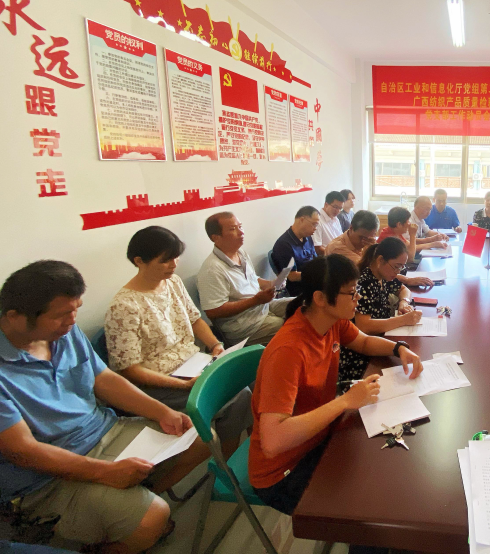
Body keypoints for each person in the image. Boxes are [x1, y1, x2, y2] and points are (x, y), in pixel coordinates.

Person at [0, 261, 206, 552]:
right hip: (46, 477)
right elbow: (22, 451)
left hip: (103, 430)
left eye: (76, 309)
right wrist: (104, 473)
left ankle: (129, 510)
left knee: (200, 438)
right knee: (151, 519)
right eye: (61, 315)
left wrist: (163, 412)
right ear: (15, 317)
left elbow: (104, 379)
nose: (72, 320)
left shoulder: (62, 332)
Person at [248, 255, 423, 537]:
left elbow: (363, 341)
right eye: (351, 292)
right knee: (372, 515)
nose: (358, 297)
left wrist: (399, 348)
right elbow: (273, 441)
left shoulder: (330, 321)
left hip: (320, 437)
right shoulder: (288, 350)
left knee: (387, 477)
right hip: (285, 471)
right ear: (320, 298)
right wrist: (345, 401)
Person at [105, 227, 252, 460]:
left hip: (193, 365)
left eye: (175, 257)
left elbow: (195, 319)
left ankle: (233, 456)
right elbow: (130, 369)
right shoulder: (124, 306)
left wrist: (215, 345)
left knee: (243, 383)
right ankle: (227, 461)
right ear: (139, 261)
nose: (174, 265)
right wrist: (183, 385)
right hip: (161, 383)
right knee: (238, 396)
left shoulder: (172, 282)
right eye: (165, 260)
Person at [197, 212, 293, 346]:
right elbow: (213, 311)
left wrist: (271, 283)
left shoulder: (241, 253)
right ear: (215, 237)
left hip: (263, 307)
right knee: (295, 328)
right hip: (246, 325)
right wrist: (256, 300)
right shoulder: (212, 269)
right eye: (233, 229)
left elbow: (252, 279)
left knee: (305, 305)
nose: (241, 232)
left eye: (240, 226)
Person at [340, 238, 424, 382]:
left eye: (401, 268)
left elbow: (404, 289)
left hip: (381, 340)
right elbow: (364, 326)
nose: (397, 272)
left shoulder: (383, 276)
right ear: (380, 260)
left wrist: (403, 302)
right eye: (396, 266)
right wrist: (403, 320)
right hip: (362, 354)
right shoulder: (365, 283)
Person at [270, 206, 319, 298]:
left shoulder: (307, 237)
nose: (315, 228)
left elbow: (315, 259)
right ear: (302, 220)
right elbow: (292, 276)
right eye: (314, 224)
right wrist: (317, 275)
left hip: (313, 281)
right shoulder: (284, 244)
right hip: (299, 289)